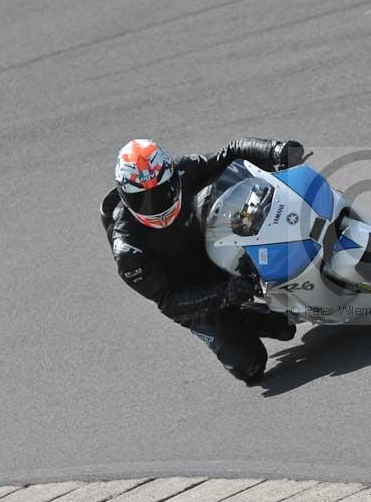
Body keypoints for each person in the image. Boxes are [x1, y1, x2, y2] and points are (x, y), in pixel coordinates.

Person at [99, 137, 305, 384]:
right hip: (192, 295)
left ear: (172, 177)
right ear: (125, 196)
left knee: (229, 196)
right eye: (142, 199)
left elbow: (231, 152)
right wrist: (225, 294)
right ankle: (246, 315)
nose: (154, 205)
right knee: (251, 364)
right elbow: (170, 302)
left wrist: (275, 150)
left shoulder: (183, 170)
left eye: (162, 192)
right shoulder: (128, 250)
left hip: (208, 248)